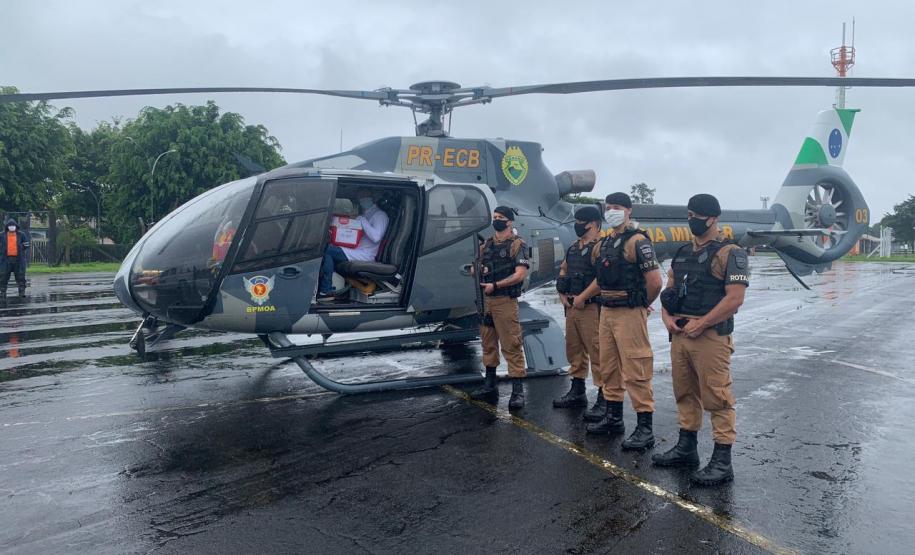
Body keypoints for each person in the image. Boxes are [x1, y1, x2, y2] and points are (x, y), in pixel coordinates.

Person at [652, 193, 749, 486]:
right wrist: (667, 319)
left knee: (717, 397)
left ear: (713, 218)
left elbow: (735, 299)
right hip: (680, 335)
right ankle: (686, 447)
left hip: (709, 338)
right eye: (689, 214)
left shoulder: (731, 253)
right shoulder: (682, 253)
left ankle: (722, 461)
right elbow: (668, 291)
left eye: (697, 215)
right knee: (684, 392)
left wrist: (702, 324)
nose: (692, 220)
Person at [578, 193, 662, 451]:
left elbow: (655, 282)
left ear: (628, 210)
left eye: (616, 207)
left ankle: (645, 428)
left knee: (636, 368)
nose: (611, 211)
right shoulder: (604, 243)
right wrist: (583, 297)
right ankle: (613, 418)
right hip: (607, 310)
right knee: (608, 366)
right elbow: (600, 281)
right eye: (608, 208)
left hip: (628, 311)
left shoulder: (638, 242)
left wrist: (640, 304)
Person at [469, 206, 530, 410]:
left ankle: (517, 391)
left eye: (501, 218)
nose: (497, 220)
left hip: (504, 300)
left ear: (510, 222)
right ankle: (490, 385)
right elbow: (474, 266)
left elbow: (520, 274)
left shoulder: (517, 244)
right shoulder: (486, 244)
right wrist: (476, 270)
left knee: (511, 344)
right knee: (488, 343)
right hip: (486, 302)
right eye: (495, 217)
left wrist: (496, 285)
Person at [552, 206, 605, 416]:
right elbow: (564, 269)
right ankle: (577, 390)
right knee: (574, 348)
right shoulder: (574, 247)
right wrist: (562, 294)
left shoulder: (601, 246)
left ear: (592, 223)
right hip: (573, 306)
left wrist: (583, 297)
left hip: (592, 306)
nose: (577, 225)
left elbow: (602, 278)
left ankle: (605, 397)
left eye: (580, 221)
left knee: (597, 350)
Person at [318, 188, 389, 298]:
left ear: (372, 198)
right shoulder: (366, 214)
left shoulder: (380, 215)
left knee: (325, 249)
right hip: (356, 249)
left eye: (364, 197)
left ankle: (326, 288)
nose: (362, 200)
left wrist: (362, 221)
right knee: (327, 250)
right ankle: (326, 288)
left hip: (365, 254)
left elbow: (376, 237)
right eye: (360, 199)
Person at [1, 217, 30, 300]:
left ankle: (22, 292)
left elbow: (26, 245)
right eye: (10, 225)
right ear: (7, 227)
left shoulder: (21, 235)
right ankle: (2, 293)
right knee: (3, 276)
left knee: (20, 276)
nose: (12, 227)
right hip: (5, 260)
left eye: (13, 225)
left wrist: (20, 249)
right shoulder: (2, 235)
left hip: (18, 260)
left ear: (16, 226)